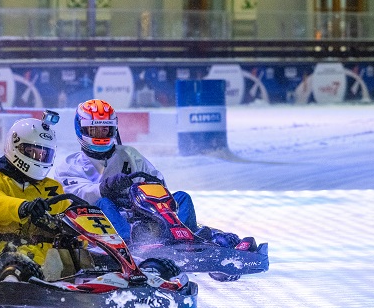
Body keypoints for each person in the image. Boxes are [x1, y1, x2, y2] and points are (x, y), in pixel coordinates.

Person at [55, 98, 254, 249]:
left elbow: (155, 179)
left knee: (182, 198)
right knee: (104, 203)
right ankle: (128, 246)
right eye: (94, 131)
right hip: (98, 222)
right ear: (81, 129)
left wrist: (143, 189)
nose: (100, 136)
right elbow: (73, 195)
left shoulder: (128, 154)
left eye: (105, 130)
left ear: (114, 130)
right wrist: (104, 188)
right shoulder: (70, 164)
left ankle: (189, 239)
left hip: (136, 209)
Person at [0, 117, 69, 266]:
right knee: (29, 260)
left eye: (44, 154)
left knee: (83, 253)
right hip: (2, 252)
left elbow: (71, 216)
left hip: (50, 254)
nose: (39, 158)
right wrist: (21, 207)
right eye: (33, 152)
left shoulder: (52, 187)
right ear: (17, 147)